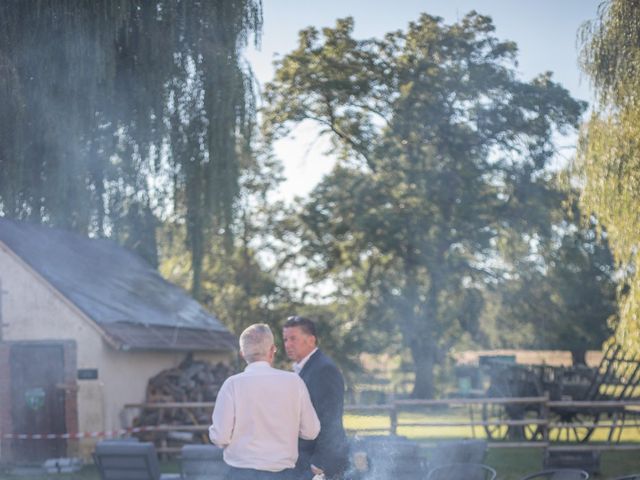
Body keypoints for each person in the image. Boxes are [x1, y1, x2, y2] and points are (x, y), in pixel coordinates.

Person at [209, 323, 320, 480]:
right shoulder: (294, 382)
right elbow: (311, 432)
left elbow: (220, 437)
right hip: (285, 475)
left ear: (242, 354)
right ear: (272, 350)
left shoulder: (232, 384)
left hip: (241, 474)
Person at [283, 316, 349, 480]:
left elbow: (330, 419)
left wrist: (318, 464)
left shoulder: (324, 369)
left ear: (311, 340)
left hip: (320, 464)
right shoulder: (305, 368)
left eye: (293, 339)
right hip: (304, 460)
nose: (287, 344)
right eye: (285, 339)